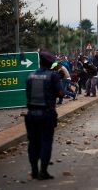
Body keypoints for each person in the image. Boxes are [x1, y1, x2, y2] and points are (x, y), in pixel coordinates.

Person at [25, 51, 64, 180]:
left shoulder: (30, 76)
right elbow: (61, 93)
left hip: (31, 115)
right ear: (50, 64)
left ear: (40, 62)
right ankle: (43, 171)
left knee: (33, 143)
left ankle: (34, 171)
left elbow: (27, 94)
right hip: (47, 114)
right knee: (45, 142)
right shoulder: (53, 76)